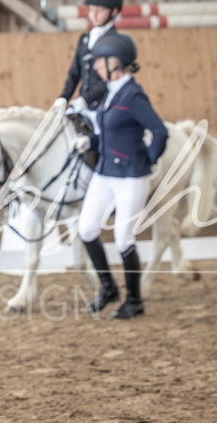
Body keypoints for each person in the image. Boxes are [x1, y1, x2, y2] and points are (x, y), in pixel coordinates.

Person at [72, 32, 168, 320]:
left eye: (101, 61)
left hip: (130, 178)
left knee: (123, 238)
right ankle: (108, 287)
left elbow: (160, 132)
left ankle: (135, 301)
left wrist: (147, 161)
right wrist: (92, 143)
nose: (97, 67)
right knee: (87, 229)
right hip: (105, 174)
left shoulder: (133, 95)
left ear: (117, 62)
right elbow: (109, 131)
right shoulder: (111, 92)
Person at [54, 0, 123, 123]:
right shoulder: (85, 39)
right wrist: (64, 97)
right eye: (91, 10)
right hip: (82, 106)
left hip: (106, 105)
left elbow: (111, 78)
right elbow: (75, 73)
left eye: (100, 10)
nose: (94, 15)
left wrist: (86, 99)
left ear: (114, 11)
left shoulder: (116, 42)